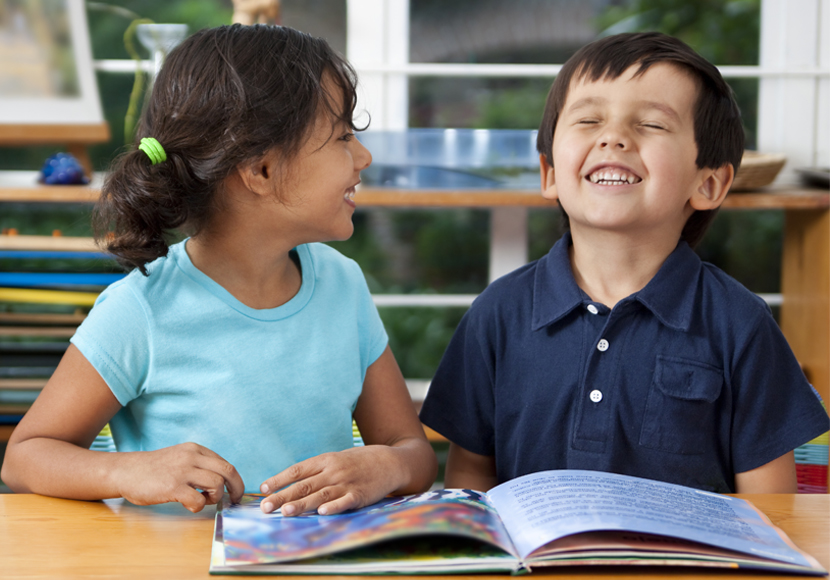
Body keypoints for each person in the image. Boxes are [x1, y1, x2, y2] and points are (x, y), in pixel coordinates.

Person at [2, 24, 437, 515]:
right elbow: (23, 457)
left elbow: (413, 451)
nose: (363, 156)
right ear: (261, 171)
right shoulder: (142, 308)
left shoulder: (344, 284)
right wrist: (125, 471)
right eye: (341, 137)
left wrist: (388, 466)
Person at [419, 32, 829, 494]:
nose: (613, 137)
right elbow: (472, 476)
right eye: (589, 119)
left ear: (710, 184)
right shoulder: (497, 313)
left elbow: (771, 507)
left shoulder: (741, 323)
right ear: (550, 172)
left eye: (651, 124)